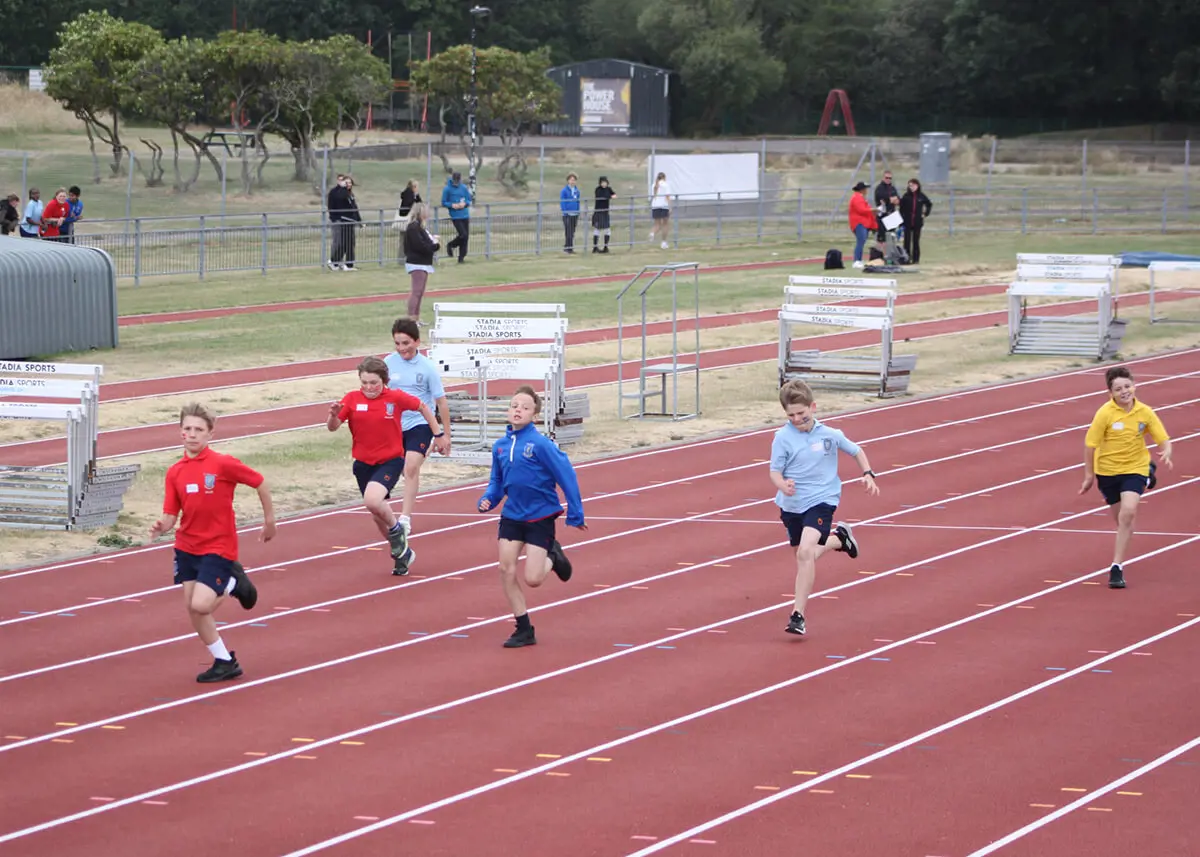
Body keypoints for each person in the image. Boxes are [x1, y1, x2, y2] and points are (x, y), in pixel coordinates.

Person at [150, 403, 276, 683]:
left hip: (218, 547)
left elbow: (260, 483)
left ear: (210, 434)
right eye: (187, 429)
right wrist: (162, 526)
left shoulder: (222, 463)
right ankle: (224, 660)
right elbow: (171, 514)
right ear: (180, 432)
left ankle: (234, 583)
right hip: (186, 547)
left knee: (202, 605)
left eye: (198, 430)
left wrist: (269, 521)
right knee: (193, 609)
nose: (192, 434)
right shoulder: (175, 472)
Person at [477, 386, 586, 649]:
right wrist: (489, 498)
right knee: (505, 568)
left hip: (540, 516)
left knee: (534, 579)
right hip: (512, 515)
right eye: (514, 405)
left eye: (525, 407)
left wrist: (575, 511)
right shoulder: (500, 447)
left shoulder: (541, 444)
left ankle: (553, 555)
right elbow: (497, 480)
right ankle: (524, 627)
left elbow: (566, 475)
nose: (518, 410)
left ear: (534, 416)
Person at [770, 379, 879, 636]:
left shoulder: (830, 435)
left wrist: (867, 472)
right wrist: (783, 485)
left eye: (802, 413)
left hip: (822, 500)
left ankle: (798, 616)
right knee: (803, 554)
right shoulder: (782, 438)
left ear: (813, 407)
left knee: (805, 553)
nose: (797, 419)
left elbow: (856, 450)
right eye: (791, 415)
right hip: (791, 504)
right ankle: (839, 540)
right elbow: (774, 472)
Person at [327, 356, 445, 575]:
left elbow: (424, 408)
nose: (369, 388)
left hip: (390, 461)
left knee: (372, 501)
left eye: (374, 383)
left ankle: (397, 531)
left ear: (384, 381)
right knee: (376, 513)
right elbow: (333, 427)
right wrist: (333, 416)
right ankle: (402, 553)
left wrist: (438, 434)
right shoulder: (352, 399)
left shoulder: (395, 397)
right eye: (364, 383)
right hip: (363, 464)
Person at [1079, 366, 1174, 589]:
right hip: (1108, 472)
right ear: (1110, 393)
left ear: (1134, 386)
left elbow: (1162, 437)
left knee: (1128, 513)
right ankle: (1149, 475)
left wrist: (1167, 449)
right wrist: (1089, 476)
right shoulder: (1105, 413)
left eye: (1127, 386)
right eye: (1118, 388)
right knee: (1123, 521)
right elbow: (1090, 445)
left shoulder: (1144, 411)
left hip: (1134, 467)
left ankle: (1116, 567)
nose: (1124, 391)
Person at [385, 318, 452, 536]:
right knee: (398, 468)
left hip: (420, 423)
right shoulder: (388, 364)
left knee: (411, 467)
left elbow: (441, 402)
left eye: (406, 343)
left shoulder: (427, 368)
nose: (402, 348)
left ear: (417, 342)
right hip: (394, 425)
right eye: (397, 343)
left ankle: (404, 518)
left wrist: (445, 435)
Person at [402, 202, 440, 322]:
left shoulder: (420, 227)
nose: (428, 213)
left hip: (423, 262)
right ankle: (411, 318)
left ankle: (416, 318)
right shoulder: (413, 227)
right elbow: (420, 246)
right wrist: (434, 246)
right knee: (416, 291)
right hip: (416, 262)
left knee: (420, 292)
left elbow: (427, 243)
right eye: (426, 211)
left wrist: (434, 243)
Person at [898, 178, 932, 264]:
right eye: (910, 186)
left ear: (917, 186)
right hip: (907, 222)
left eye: (913, 185)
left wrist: (925, 213)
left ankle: (916, 259)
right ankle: (906, 258)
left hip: (917, 222)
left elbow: (929, 204)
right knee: (907, 241)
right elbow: (901, 209)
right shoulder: (906, 196)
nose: (911, 187)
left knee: (916, 241)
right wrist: (902, 220)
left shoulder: (921, 196)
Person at [441, 171, 471, 263]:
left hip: (465, 214)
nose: (456, 183)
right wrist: (452, 205)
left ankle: (461, 257)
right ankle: (451, 245)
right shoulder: (447, 189)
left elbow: (469, 200)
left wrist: (465, 204)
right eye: (455, 181)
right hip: (455, 216)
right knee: (463, 234)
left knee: (465, 237)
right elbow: (443, 202)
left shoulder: (464, 188)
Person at [847, 182, 875, 269]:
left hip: (862, 223)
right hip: (859, 223)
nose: (866, 190)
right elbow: (862, 210)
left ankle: (858, 259)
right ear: (862, 190)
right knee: (861, 241)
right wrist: (873, 210)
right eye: (865, 188)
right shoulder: (857, 198)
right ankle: (856, 260)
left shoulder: (860, 198)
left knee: (861, 241)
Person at [591, 176, 616, 253]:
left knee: (607, 230)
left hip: (605, 212)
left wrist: (612, 195)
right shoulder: (598, 189)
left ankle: (606, 247)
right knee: (597, 229)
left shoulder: (608, 189)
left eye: (605, 182)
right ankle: (595, 247)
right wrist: (610, 196)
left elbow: (614, 194)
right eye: (602, 182)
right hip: (598, 212)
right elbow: (602, 197)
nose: (604, 184)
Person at [649, 172, 671, 250]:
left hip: (655, 205)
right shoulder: (665, 185)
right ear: (664, 177)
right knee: (665, 224)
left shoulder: (654, 185)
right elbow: (667, 196)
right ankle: (664, 242)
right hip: (664, 205)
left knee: (657, 224)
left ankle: (652, 233)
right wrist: (670, 207)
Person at [560, 172, 580, 253]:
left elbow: (577, 201)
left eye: (574, 180)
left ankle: (570, 247)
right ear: (568, 181)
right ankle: (567, 247)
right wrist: (565, 212)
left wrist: (578, 210)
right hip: (567, 214)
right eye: (571, 180)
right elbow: (563, 202)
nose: (573, 181)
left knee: (572, 231)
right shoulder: (564, 190)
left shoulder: (577, 190)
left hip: (575, 214)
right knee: (568, 231)